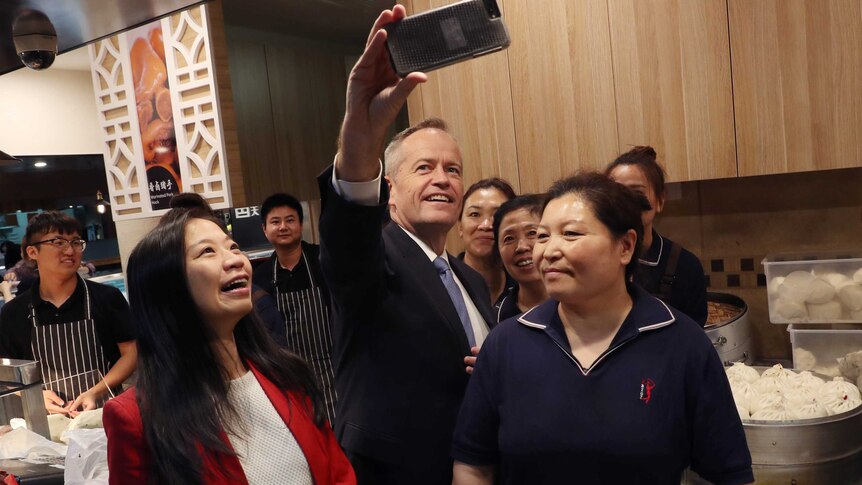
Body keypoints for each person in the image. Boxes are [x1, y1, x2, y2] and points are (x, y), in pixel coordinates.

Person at [451, 172, 753, 485]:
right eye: (543, 236)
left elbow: (728, 474)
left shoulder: (682, 343)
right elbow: (474, 465)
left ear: (625, 246)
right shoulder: (507, 343)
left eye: (570, 234)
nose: (548, 250)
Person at [316, 6, 496, 484]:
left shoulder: (470, 279)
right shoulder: (377, 259)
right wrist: (360, 136)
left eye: (452, 170)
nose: (442, 179)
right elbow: (348, 238)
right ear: (389, 189)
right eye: (424, 168)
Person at [103, 209, 355, 484]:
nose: (235, 260)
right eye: (208, 252)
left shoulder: (289, 376)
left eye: (233, 246)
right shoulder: (138, 417)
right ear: (166, 286)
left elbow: (338, 475)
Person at [0, 211, 136, 415]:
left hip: (107, 414)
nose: (70, 250)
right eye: (58, 242)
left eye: (75, 242)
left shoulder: (107, 298)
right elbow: (4, 369)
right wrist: (34, 394)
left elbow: (131, 353)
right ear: (32, 252)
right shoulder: (14, 312)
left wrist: (95, 392)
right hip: (47, 422)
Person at [251, 192, 338, 423]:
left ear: (300, 224)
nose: (283, 227)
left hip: (334, 368)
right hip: (289, 375)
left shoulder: (324, 260)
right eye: (275, 222)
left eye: (290, 220)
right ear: (265, 229)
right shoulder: (260, 277)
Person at [605, 146, 708, 326]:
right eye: (617, 193)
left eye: (637, 192)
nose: (627, 201)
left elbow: (692, 341)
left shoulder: (685, 266)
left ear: (660, 201)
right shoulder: (592, 261)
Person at [458, 178, 516, 306]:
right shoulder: (445, 283)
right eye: (474, 214)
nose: (485, 225)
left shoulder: (525, 285)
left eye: (497, 215)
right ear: (460, 227)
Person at [491, 194, 548, 322]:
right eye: (509, 238)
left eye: (532, 233)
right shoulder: (495, 320)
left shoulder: (582, 303)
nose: (521, 247)